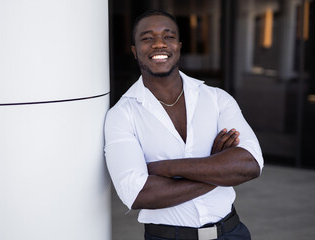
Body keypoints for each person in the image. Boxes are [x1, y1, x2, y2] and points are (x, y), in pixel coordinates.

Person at [104, 9, 263, 240]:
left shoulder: (217, 99)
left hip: (231, 233)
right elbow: (138, 194)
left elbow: (250, 164)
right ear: (134, 51)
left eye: (168, 37)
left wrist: (166, 168)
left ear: (178, 46)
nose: (159, 44)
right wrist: (216, 168)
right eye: (147, 38)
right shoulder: (121, 115)